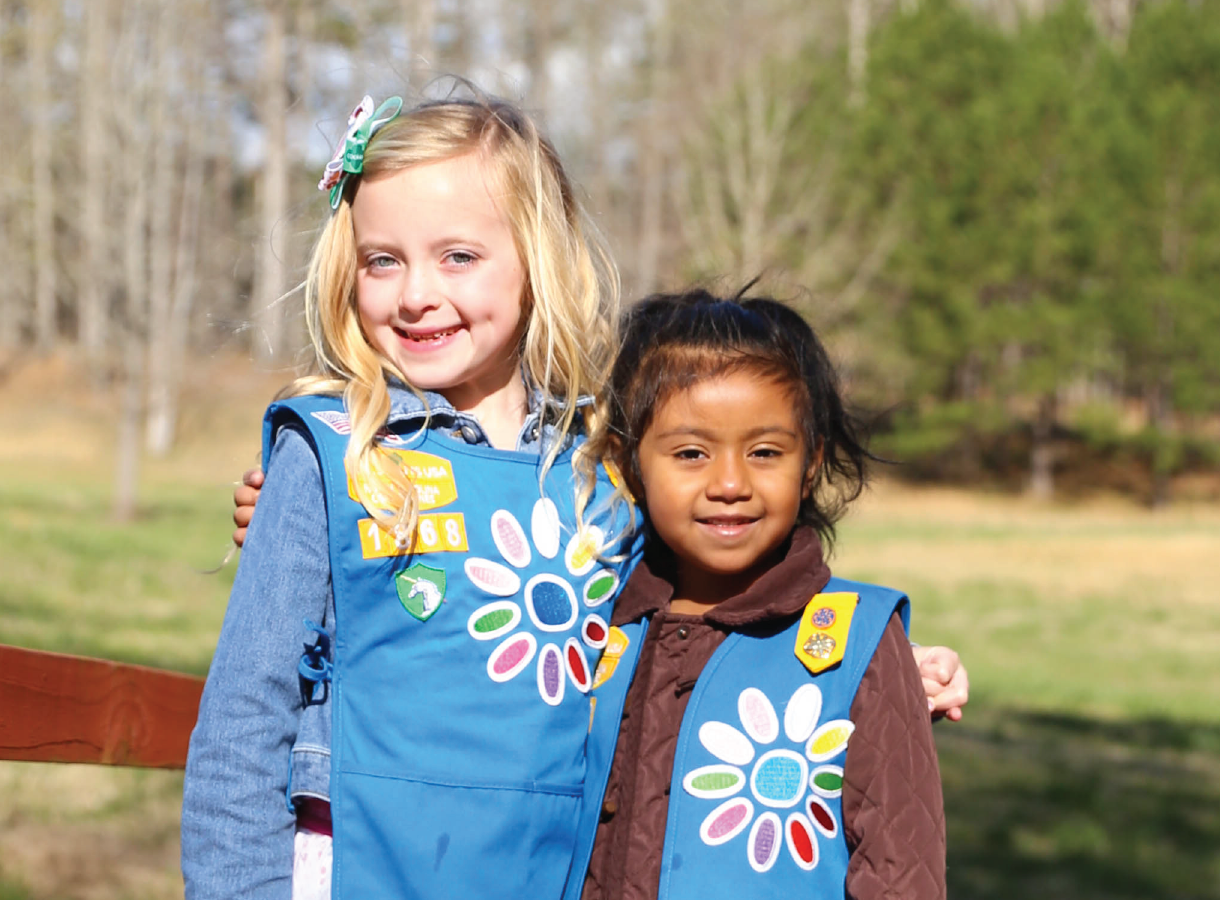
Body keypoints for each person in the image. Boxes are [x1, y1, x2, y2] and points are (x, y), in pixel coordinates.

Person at [182, 92, 641, 900]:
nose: (414, 294)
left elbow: (702, 629)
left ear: (537, 262)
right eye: (382, 260)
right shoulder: (330, 452)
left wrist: (870, 666)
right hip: (355, 865)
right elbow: (243, 723)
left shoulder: (608, 472)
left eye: (458, 257)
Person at [567, 289, 946, 899]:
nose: (730, 483)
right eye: (691, 453)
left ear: (812, 462)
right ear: (629, 462)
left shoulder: (862, 643)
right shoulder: (587, 623)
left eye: (765, 453)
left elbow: (902, 874)